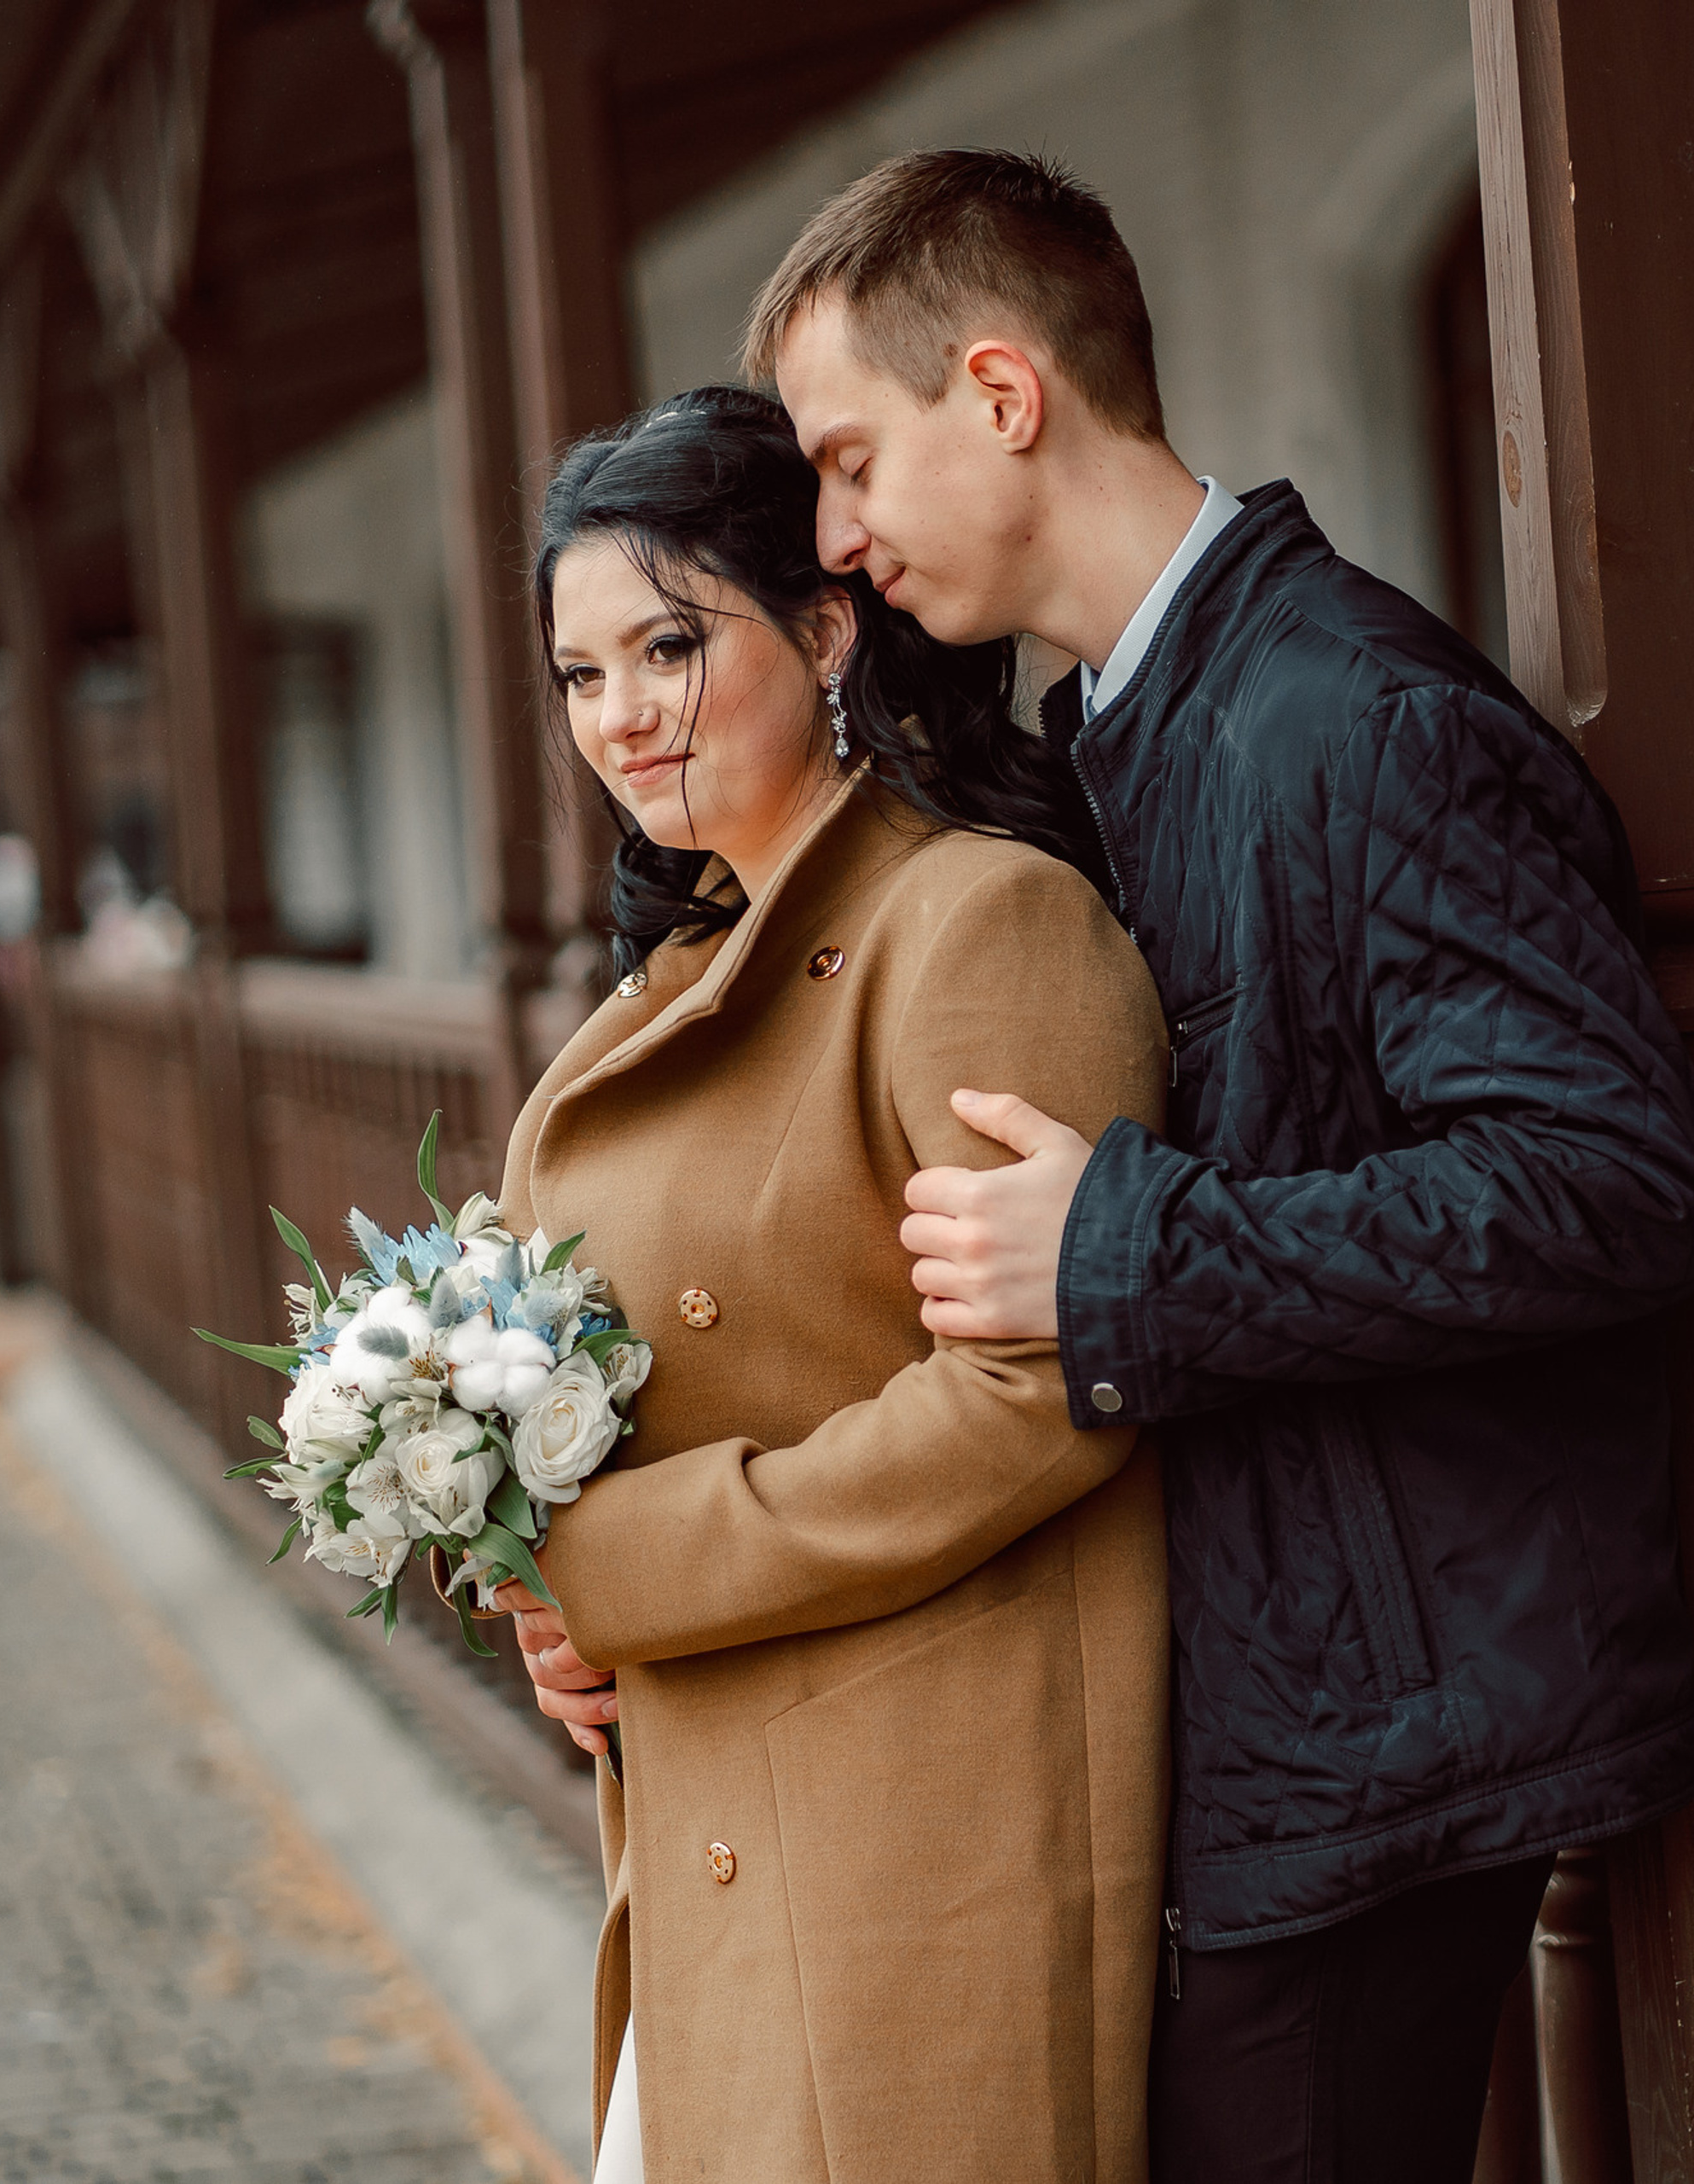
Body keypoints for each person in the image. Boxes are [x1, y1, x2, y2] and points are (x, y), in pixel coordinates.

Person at [747, 150, 1694, 2184]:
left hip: (1385, 1735)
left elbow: (1607, 1177)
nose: (836, 533)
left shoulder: (1353, 718)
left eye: (851, 460)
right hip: (1252, 1709)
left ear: (1002, 395)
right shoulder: (1114, 728)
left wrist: (1128, 1260)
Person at [487, 386, 1170, 2184]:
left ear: (821, 624)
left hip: (914, 1814)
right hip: (721, 1795)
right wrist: (543, 1584)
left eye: (665, 644)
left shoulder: (974, 921)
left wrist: (630, 1563)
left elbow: (1038, 1387)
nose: (620, 715)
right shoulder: (673, 968)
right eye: (578, 675)